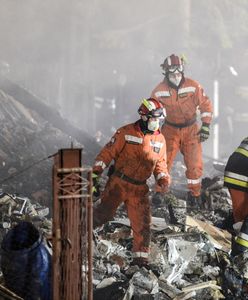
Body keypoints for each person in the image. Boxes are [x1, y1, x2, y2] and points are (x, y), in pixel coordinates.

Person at [92, 98, 170, 266]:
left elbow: (161, 165)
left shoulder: (160, 140)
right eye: (154, 119)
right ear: (144, 117)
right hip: (119, 183)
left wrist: (163, 180)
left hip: (140, 188)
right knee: (103, 214)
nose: (157, 123)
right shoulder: (126, 133)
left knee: (143, 224)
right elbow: (107, 153)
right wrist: (95, 174)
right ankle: (81, 235)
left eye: (159, 119)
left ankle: (140, 260)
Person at [150, 54, 213, 208]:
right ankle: (159, 192)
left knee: (195, 164)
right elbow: (152, 111)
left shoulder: (193, 86)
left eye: (179, 71)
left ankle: (195, 195)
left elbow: (205, 105)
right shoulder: (158, 91)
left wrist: (205, 125)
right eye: (173, 72)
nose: (177, 75)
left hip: (191, 130)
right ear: (166, 72)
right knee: (163, 162)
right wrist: (153, 131)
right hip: (170, 130)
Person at [224, 137, 248, 256]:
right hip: (242, 172)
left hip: (235, 168)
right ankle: (238, 249)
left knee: (240, 215)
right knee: (242, 217)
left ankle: (225, 230)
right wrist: (241, 249)